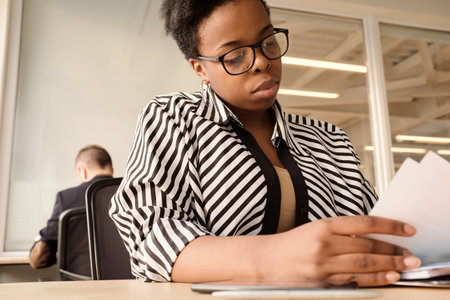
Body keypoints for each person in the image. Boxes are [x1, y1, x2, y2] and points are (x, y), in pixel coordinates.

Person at [110, 0, 421, 286]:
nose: (261, 61)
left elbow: (375, 231)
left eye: (269, 41)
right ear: (200, 68)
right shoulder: (173, 118)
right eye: (234, 56)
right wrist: (271, 257)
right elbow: (151, 237)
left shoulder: (330, 138)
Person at [29, 145, 114, 276]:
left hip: (77, 288)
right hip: (127, 286)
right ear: (112, 170)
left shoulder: (66, 198)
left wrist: (41, 236)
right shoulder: (132, 195)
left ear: (82, 171)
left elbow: (39, 259)